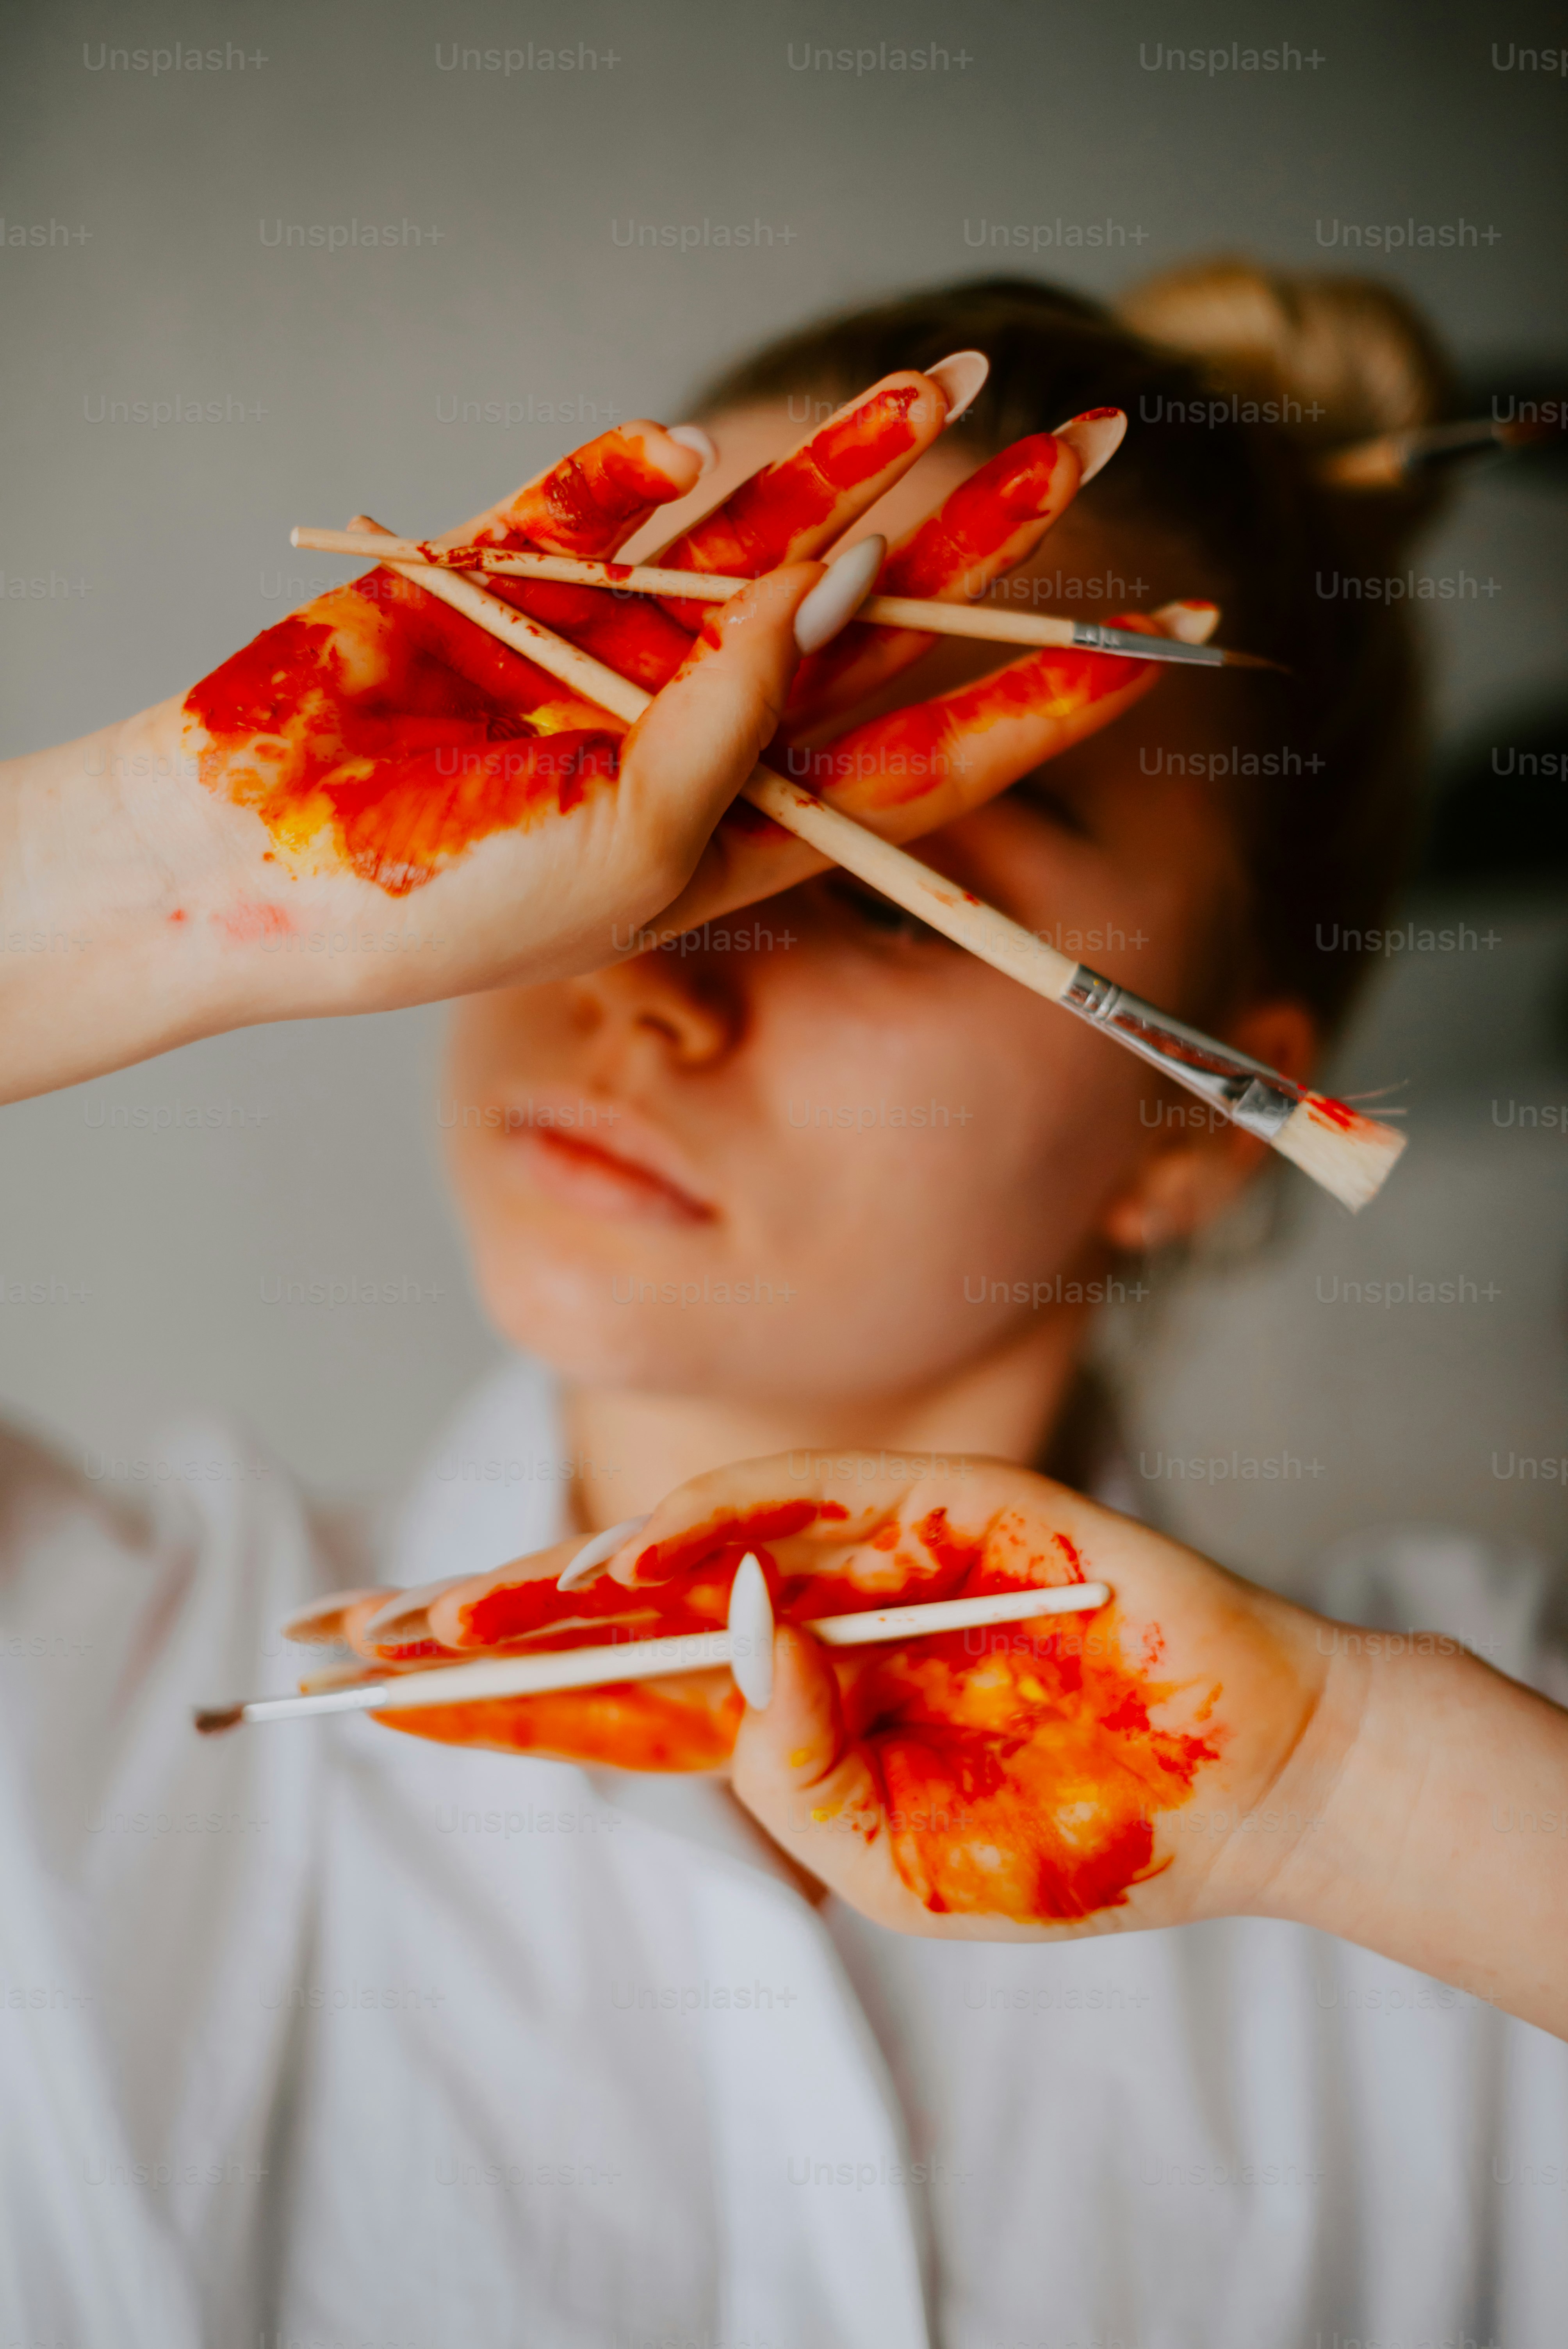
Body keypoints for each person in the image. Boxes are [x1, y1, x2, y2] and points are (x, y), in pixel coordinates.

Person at [1, 264, 1563, 2349]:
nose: (646, 970)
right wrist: (186, 870)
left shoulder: (1479, 1785)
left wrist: (1345, 1804)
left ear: (1209, 1113)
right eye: (619, 781)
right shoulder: (76, 1682)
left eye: (874, 880)